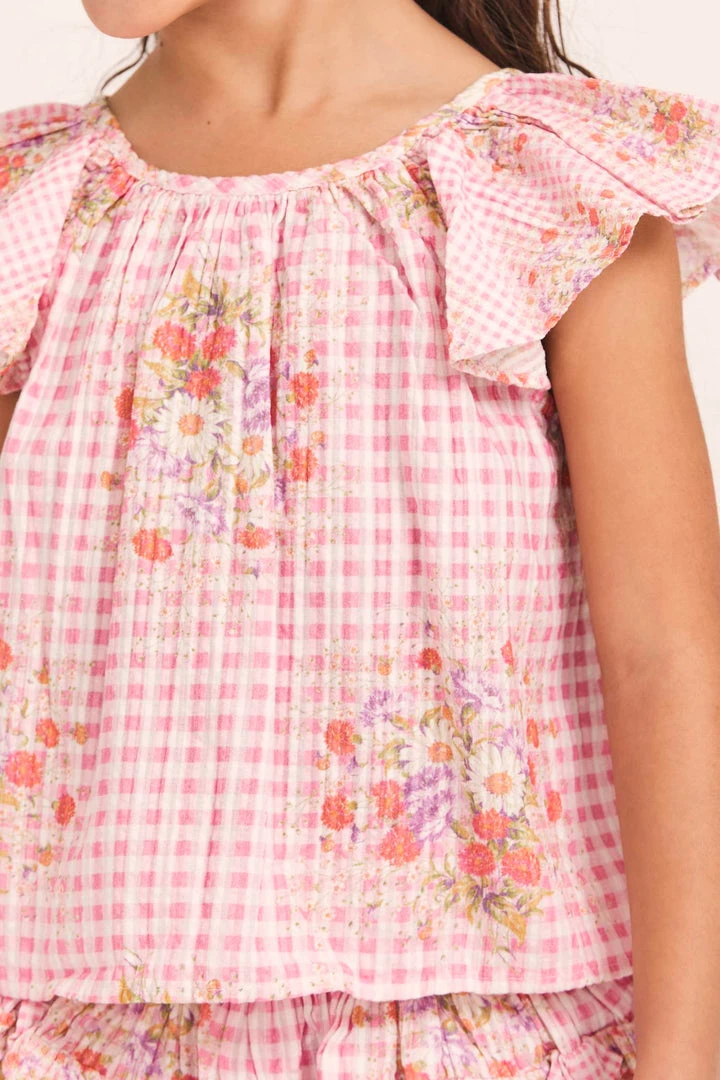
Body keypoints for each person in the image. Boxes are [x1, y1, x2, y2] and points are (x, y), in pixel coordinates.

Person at [1, 0, 720, 1076]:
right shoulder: (34, 207)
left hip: (486, 1036)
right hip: (78, 1032)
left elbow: (667, 656)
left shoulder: (537, 183)